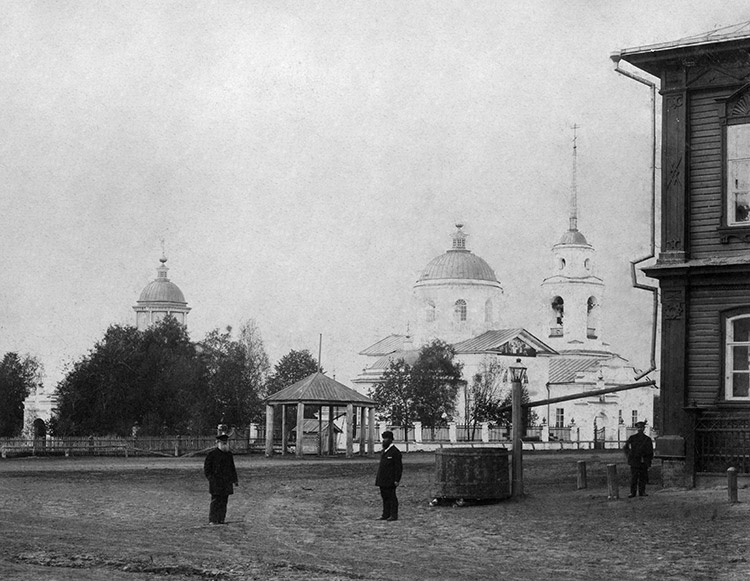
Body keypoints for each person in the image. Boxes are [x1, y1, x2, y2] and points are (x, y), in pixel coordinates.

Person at [204, 433, 239, 524]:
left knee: (224, 501)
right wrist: (211, 479)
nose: (224, 444)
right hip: (216, 482)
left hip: (226, 482)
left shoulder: (229, 455)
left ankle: (221, 519)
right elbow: (207, 469)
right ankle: (213, 519)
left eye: (225, 442)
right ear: (218, 443)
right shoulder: (211, 455)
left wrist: (235, 480)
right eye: (222, 442)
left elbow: (232, 467)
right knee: (215, 501)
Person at [375, 430, 402, 521]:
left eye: (386, 439)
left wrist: (397, 480)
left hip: (390, 480)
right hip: (383, 479)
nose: (383, 441)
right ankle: (385, 514)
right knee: (384, 497)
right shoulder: (384, 451)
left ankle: (393, 515)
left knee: (392, 497)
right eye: (383, 438)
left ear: (390, 440)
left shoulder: (395, 452)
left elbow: (398, 467)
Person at [623, 421, 653, 498]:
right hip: (634, 460)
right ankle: (632, 492)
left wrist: (648, 461)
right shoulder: (632, 438)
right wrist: (629, 455)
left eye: (641, 427)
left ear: (644, 429)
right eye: (638, 428)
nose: (640, 429)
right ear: (637, 429)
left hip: (643, 460)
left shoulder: (647, 439)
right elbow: (625, 447)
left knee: (643, 477)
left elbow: (650, 451)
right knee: (634, 477)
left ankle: (642, 491)